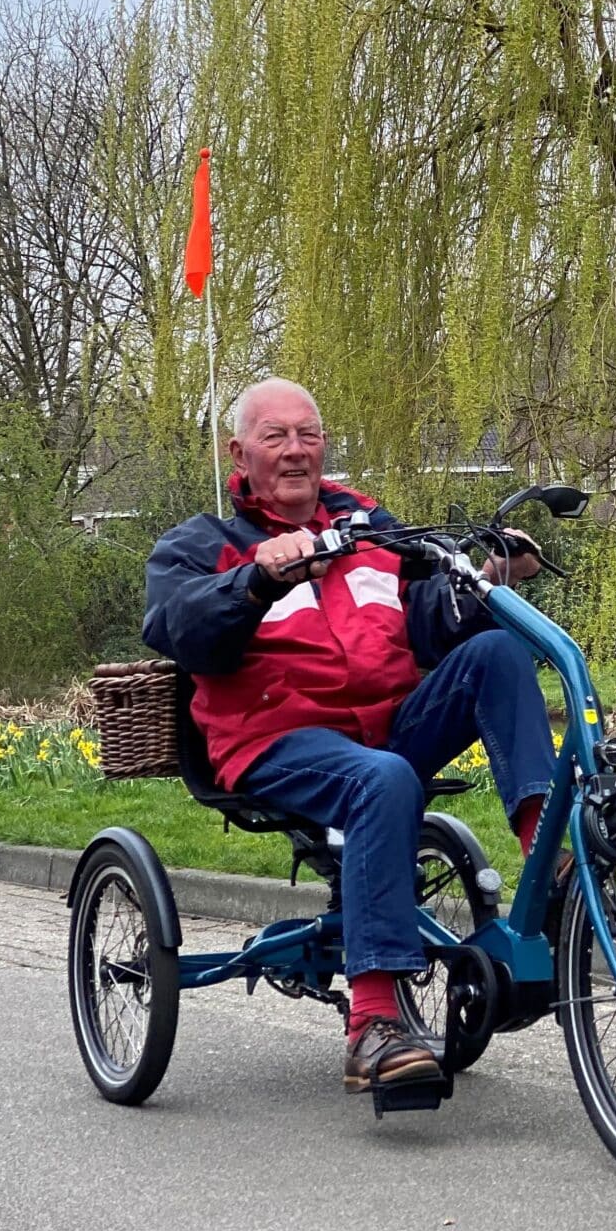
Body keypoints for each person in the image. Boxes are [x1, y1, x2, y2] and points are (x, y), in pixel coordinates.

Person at [142, 377, 556, 1095]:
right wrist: (257, 581)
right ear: (239, 452)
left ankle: (550, 854)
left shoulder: (372, 527)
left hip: (385, 730)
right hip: (276, 742)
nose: (296, 451)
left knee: (498, 650)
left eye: (308, 435)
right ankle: (373, 1023)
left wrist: (487, 575)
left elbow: (429, 620)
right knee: (382, 779)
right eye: (277, 437)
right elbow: (179, 629)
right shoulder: (205, 545)